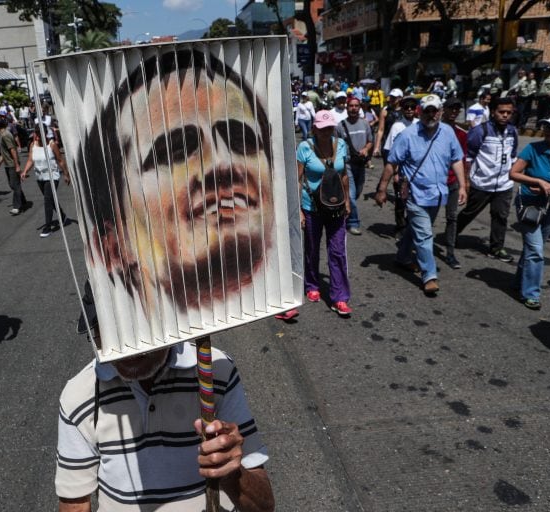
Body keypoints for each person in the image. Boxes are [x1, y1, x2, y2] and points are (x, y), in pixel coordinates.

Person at [73, 48, 275, 322]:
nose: (222, 162)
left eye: (243, 139)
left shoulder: (226, 366)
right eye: (175, 149)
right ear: (113, 245)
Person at [55, 286, 274, 510]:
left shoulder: (216, 372)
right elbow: (75, 504)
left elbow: (264, 506)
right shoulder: (79, 394)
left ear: (170, 319)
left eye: (140, 327)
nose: (128, 348)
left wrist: (232, 473)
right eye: (110, 331)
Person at [375, 95, 467, 296]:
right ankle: (429, 276)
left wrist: (462, 186)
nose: (431, 114)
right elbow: (392, 163)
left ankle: (402, 257)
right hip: (415, 194)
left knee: (414, 229)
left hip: (438, 194)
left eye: (435, 110)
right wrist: (382, 189)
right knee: (425, 234)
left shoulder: (448, 132)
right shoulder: (408, 135)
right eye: (427, 110)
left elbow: (457, 159)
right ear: (420, 111)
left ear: (440, 111)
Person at [508, 116, 550, 310]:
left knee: (534, 247)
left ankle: (519, 282)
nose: (549, 130)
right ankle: (531, 294)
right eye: (546, 126)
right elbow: (514, 173)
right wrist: (537, 182)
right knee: (536, 249)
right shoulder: (532, 149)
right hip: (528, 203)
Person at [297, 110, 352, 317]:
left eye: (330, 127)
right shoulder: (305, 147)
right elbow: (298, 179)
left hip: (336, 206)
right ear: (314, 129)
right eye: (322, 128)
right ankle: (312, 284)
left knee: (337, 251)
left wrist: (347, 201)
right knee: (312, 247)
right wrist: (299, 211)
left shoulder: (340, 145)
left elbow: (343, 174)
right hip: (312, 206)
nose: (326, 131)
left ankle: (340, 298)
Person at [456, 97, 519, 263]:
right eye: (501, 112)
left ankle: (496, 248)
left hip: (504, 185)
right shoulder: (480, 131)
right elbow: (468, 157)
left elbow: (513, 155)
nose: (505, 115)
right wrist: (467, 181)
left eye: (508, 112)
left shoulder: (512, 131)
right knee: (470, 212)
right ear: (493, 112)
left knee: (500, 216)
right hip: (482, 183)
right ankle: (452, 234)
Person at [21, 129, 71, 237]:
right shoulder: (33, 145)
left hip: (52, 176)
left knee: (47, 200)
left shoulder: (52, 145)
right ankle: (63, 217)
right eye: (36, 134)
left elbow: (60, 160)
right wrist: (25, 171)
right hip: (40, 177)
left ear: (45, 134)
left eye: (40, 134)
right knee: (50, 199)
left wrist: (66, 174)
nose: (37, 137)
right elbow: (30, 160)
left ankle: (48, 227)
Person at [336, 96, 374, 236]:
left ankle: (346, 210)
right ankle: (353, 223)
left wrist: (366, 149)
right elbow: (336, 145)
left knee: (356, 193)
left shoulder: (365, 124)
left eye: (356, 106)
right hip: (347, 165)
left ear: (360, 108)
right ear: (347, 108)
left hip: (361, 164)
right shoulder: (340, 126)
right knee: (351, 195)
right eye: (351, 106)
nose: (353, 108)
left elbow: (370, 141)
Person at [383, 95, 419, 237]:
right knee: (401, 201)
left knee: (416, 202)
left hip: (417, 172)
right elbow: (390, 152)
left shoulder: (419, 124)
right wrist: (395, 173)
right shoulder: (397, 126)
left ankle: (412, 226)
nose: (409, 110)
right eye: (406, 107)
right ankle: (400, 226)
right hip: (402, 172)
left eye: (412, 107)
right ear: (402, 110)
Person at [440, 97, 468, 269]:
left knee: (452, 217)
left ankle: (450, 252)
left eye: (457, 109)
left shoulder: (461, 134)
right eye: (451, 109)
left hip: (452, 182)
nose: (454, 112)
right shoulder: (435, 129)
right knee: (427, 218)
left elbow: (462, 161)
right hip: (435, 182)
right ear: (444, 110)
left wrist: (464, 184)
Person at [0, 118, 26, 215]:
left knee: (14, 185)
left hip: (12, 164)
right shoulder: (2, 135)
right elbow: (5, 152)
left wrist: (17, 165)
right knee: (13, 184)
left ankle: (17, 206)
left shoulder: (5, 135)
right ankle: (23, 201)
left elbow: (12, 150)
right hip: (8, 164)